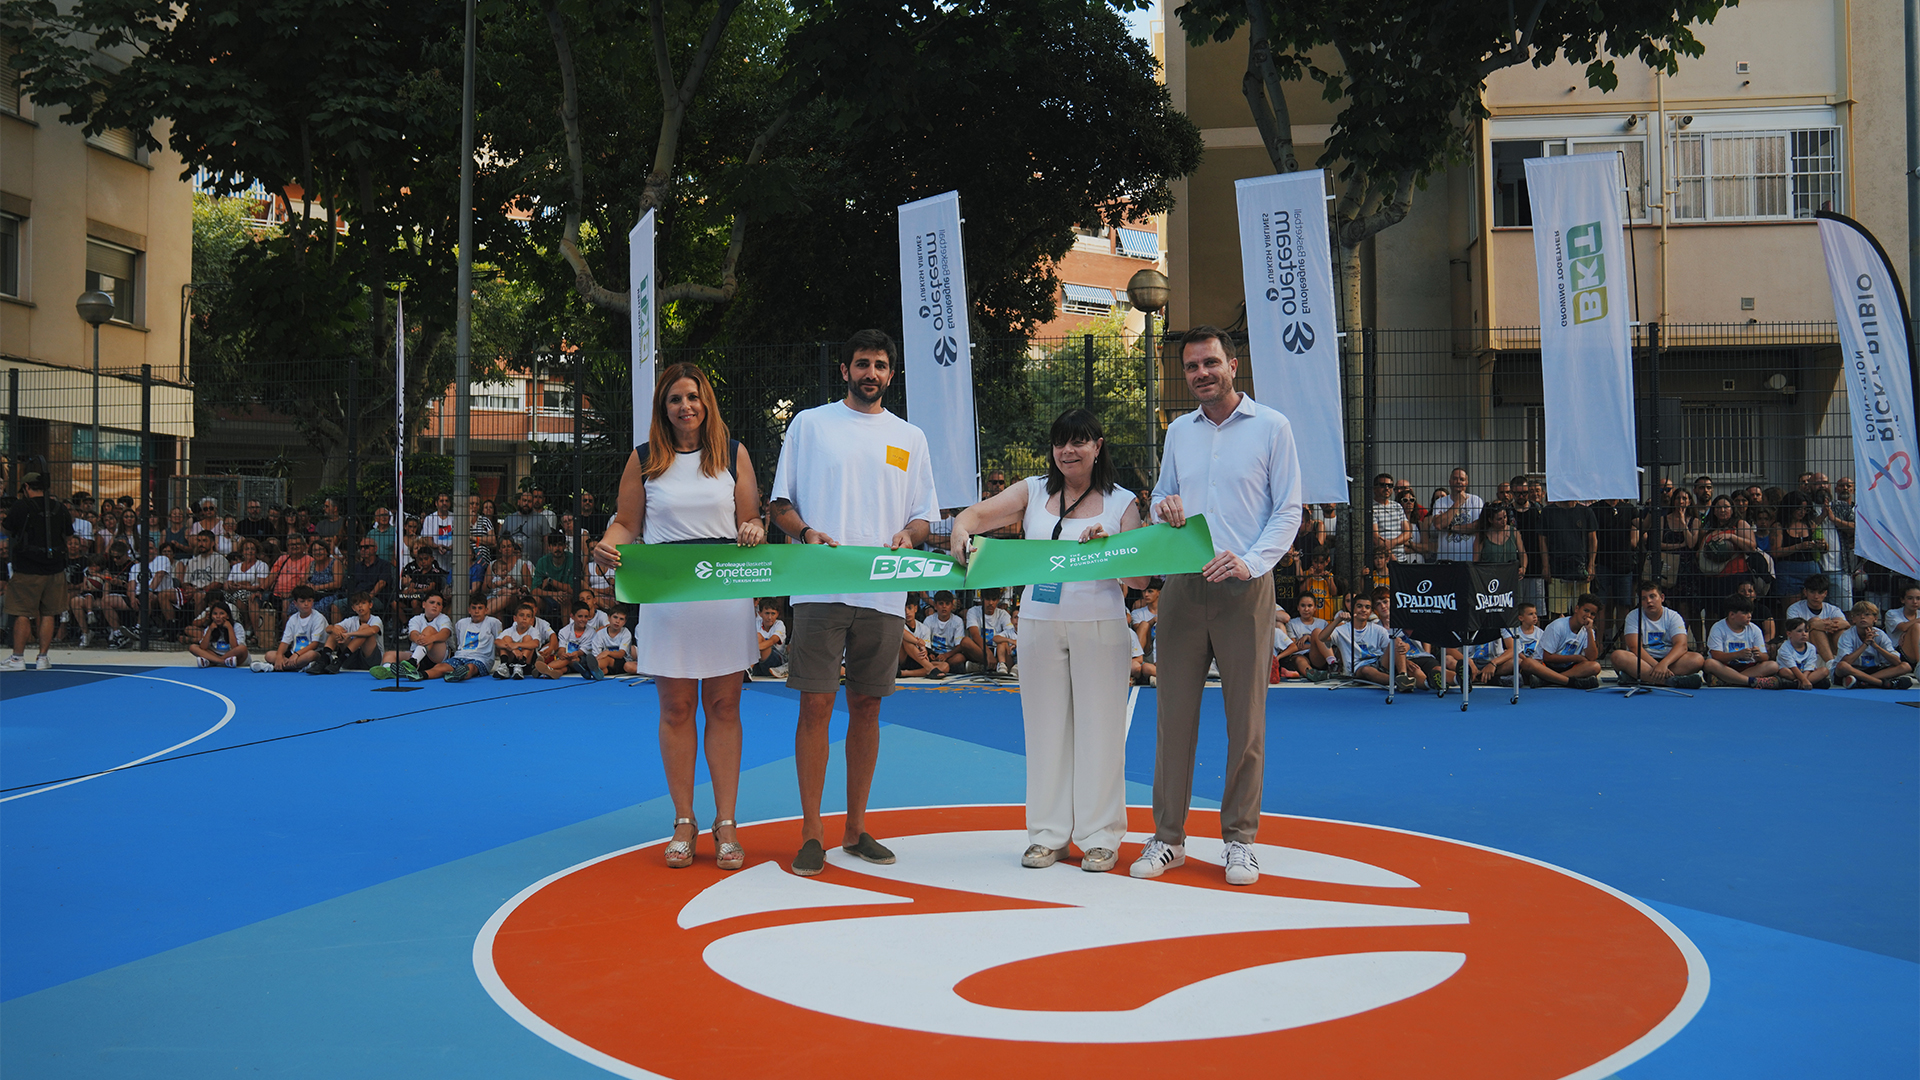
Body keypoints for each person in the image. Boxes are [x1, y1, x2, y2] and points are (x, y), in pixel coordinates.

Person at [1133, 326, 1303, 888]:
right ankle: (1168, 838)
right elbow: (1162, 497)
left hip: (1244, 589)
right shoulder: (1179, 431)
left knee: (1245, 721)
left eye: (1210, 363)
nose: (1201, 374)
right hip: (1183, 587)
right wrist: (1165, 506)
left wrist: (1250, 563)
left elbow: (1289, 510)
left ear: (1233, 365)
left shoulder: (1273, 427)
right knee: (1173, 718)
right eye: (1191, 367)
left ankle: (1240, 840)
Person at [766, 330, 938, 877]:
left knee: (868, 707)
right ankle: (811, 832)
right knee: (815, 706)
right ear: (845, 370)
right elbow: (778, 503)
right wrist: (806, 533)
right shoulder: (810, 424)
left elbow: (923, 516)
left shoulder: (910, 437)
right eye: (862, 363)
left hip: (884, 593)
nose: (871, 373)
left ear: (892, 374)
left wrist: (910, 536)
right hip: (821, 589)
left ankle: (856, 828)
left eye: (880, 365)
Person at [949, 407, 1145, 873]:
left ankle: (1100, 836)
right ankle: (1047, 835)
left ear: (1098, 447)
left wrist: (1112, 547)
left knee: (1101, 730)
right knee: (1044, 730)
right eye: (1060, 442)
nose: (1067, 451)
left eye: (1079, 441)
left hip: (1100, 624)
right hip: (1038, 623)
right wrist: (959, 529)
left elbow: (1139, 580)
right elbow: (975, 515)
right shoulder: (1033, 490)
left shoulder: (1123, 502)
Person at [594, 362, 765, 872]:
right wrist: (607, 546)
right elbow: (626, 524)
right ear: (663, 408)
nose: (685, 406)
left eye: (692, 396)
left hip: (724, 595)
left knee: (725, 707)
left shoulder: (732, 452)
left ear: (706, 402)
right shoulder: (644, 458)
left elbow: (750, 517)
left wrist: (754, 528)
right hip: (668, 598)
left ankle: (726, 822)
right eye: (675, 399)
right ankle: (684, 821)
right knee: (675, 708)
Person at [4, 472, 75, 670]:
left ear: (27, 487)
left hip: (27, 568)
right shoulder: (59, 507)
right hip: (55, 568)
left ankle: (17, 658)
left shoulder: (21, 506)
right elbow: (69, 535)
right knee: (49, 613)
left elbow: (7, 529)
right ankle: (42, 657)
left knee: (22, 613)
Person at [1610, 582, 1705, 688]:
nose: (1648, 601)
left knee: (1698, 659)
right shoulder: (1633, 616)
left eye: (1652, 596)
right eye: (1644, 598)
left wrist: (1664, 664)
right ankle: (1671, 681)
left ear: (1662, 598)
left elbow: (1682, 646)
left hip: (1670, 661)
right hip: (1643, 661)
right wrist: (1657, 666)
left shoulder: (1673, 616)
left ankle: (1641, 678)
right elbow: (1634, 647)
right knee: (1617, 656)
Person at [1525, 593, 1603, 688]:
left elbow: (1592, 658)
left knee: (1595, 666)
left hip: (1569, 669)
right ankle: (1569, 682)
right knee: (1527, 663)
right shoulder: (1558, 626)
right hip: (1546, 666)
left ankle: (1548, 681)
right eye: (1586, 610)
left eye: (1592, 614)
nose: (1588, 615)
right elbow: (1547, 657)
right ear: (1577, 609)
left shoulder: (1588, 630)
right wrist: (1575, 658)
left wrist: (1589, 631)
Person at [1833, 602, 1915, 690]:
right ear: (1853, 619)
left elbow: (1897, 661)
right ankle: (1881, 683)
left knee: (1905, 666)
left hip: (1874, 670)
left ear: (1875, 618)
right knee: (1842, 666)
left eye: (1867, 614)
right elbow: (1846, 661)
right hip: (1853, 669)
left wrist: (1875, 646)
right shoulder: (1847, 635)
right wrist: (1865, 644)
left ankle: (1862, 682)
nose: (1862, 617)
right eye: (1858, 615)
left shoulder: (1880, 634)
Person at [1538, 498, 1597, 620]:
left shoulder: (1586, 512)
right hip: (1557, 569)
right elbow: (1542, 540)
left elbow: (1592, 539)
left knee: (1584, 610)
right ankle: (1558, 633)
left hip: (1581, 569)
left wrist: (1591, 565)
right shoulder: (1548, 512)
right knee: (1556, 611)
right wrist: (1545, 566)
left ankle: (1583, 633)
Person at [372, 591, 451, 681]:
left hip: (436, 657)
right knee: (389, 654)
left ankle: (412, 663)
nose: (435, 606)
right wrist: (419, 639)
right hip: (416, 652)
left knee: (429, 629)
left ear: (441, 608)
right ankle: (389, 671)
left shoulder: (444, 618)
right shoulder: (416, 619)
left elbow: (445, 633)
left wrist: (430, 639)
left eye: (438, 604)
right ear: (424, 604)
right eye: (432, 602)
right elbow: (413, 634)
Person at [1702, 599, 1781, 688]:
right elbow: (1716, 655)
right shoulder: (1718, 628)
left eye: (1750, 613)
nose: (1749, 616)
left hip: (1748, 667)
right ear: (1732, 615)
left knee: (1773, 665)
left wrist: (1759, 655)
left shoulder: (1755, 629)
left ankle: (1727, 681)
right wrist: (1738, 654)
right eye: (1745, 613)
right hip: (1725, 667)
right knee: (1709, 663)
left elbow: (1765, 657)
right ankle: (1750, 681)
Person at [255, 585, 328, 672]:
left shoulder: (318, 618)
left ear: (313, 601)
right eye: (302, 601)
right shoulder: (293, 619)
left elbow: (315, 644)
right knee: (269, 655)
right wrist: (279, 656)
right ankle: (297, 666)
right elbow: (285, 642)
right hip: (293, 654)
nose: (306, 604)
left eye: (309, 601)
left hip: (313, 652)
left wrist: (297, 654)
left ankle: (274, 667)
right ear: (295, 603)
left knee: (311, 655)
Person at [1327, 593, 1394, 687]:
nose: (1363, 610)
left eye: (1367, 607)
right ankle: (1396, 681)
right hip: (1359, 667)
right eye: (1359, 606)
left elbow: (1389, 651)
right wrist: (1337, 620)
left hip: (1379, 662)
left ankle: (1404, 675)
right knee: (1367, 670)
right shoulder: (1342, 630)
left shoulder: (1379, 629)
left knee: (1396, 642)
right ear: (1352, 609)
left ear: (1371, 611)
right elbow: (1322, 637)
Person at [433, 596, 502, 682]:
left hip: (482, 659)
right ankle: (422, 675)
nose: (476, 611)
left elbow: (499, 642)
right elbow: (459, 643)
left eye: (480, 608)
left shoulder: (493, 623)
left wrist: (502, 663)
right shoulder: (461, 623)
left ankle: (457, 674)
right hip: (461, 656)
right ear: (469, 610)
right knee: (440, 667)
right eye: (474, 608)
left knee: (470, 667)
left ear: (486, 610)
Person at [1786, 574, 1850, 662]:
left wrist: (1825, 625)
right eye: (1812, 592)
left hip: (1829, 646)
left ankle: (1845, 662)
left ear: (1825, 593)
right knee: (1815, 625)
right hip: (1802, 647)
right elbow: (1793, 631)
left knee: (1840, 629)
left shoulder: (1833, 609)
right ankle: (1831, 664)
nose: (1816, 597)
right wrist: (1813, 625)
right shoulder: (1794, 609)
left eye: (1820, 593)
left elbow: (1846, 624)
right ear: (1805, 592)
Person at [1430, 469, 1482, 563]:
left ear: (1467, 482)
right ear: (1450, 482)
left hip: (1468, 560)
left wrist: (1451, 527)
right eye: (1455, 479)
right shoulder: (1440, 502)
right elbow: (1438, 525)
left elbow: (1477, 526)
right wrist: (1457, 503)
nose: (1458, 482)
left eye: (1462, 479)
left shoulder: (1475, 500)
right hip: (1445, 559)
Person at [323, 592, 385, 672]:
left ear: (370, 605)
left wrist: (349, 634)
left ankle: (340, 660)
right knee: (336, 630)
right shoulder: (351, 620)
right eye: (357, 604)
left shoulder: (376, 619)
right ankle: (323, 661)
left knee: (365, 628)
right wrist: (335, 630)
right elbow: (328, 628)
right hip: (352, 658)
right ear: (353, 608)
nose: (360, 606)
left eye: (363, 603)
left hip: (371, 660)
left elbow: (373, 630)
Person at [962, 588, 1016, 674]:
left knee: (1004, 642)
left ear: (998, 600)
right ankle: (994, 666)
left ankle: (984, 667)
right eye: (987, 599)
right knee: (965, 641)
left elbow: (1010, 633)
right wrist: (988, 654)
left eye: (994, 599)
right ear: (981, 599)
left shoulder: (1003, 614)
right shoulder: (973, 611)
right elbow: (975, 635)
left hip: (999, 652)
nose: (991, 603)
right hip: (981, 650)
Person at [493, 602, 547, 679]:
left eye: (528, 616)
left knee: (527, 638)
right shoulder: (509, 630)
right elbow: (497, 642)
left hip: (526, 664)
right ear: (515, 618)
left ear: (532, 620)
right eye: (521, 615)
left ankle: (520, 664)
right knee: (506, 639)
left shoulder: (533, 631)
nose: (524, 618)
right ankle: (504, 666)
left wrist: (517, 645)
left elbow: (535, 644)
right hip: (511, 663)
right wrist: (513, 649)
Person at [1773, 618, 1831, 689]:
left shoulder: (1811, 648)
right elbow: (1792, 667)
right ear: (1789, 634)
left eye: (1806, 631)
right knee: (1783, 671)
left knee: (1824, 670)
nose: (1804, 634)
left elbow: (1810, 666)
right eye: (1799, 631)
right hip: (1792, 673)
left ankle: (1796, 684)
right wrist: (1804, 680)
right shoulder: (1784, 648)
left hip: (1806, 674)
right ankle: (1810, 683)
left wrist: (1804, 679)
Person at [921, 590, 968, 671]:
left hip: (949, 655)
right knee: (921, 656)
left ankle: (939, 666)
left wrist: (946, 655)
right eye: (941, 603)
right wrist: (930, 654)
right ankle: (942, 666)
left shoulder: (958, 621)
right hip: (933, 655)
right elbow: (925, 643)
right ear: (935, 606)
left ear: (952, 606)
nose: (944, 606)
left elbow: (959, 646)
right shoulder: (928, 620)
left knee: (960, 657)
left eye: (947, 604)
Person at [752, 601, 788, 678]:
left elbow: (772, 641)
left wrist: (754, 649)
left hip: (776, 663)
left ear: (777, 614)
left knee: (759, 640)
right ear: (760, 613)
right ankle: (749, 669)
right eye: (767, 613)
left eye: (773, 614)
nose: (769, 617)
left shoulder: (779, 624)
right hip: (757, 663)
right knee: (757, 637)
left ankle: (748, 669)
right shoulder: (756, 623)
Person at [1888, 583, 1920, 666]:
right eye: (1910, 598)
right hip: (1898, 652)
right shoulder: (1892, 613)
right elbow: (1903, 627)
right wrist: (1909, 630)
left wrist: (1906, 633)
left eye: (1918, 598)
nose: (1915, 602)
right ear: (1902, 600)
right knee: (1916, 627)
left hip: (1914, 650)